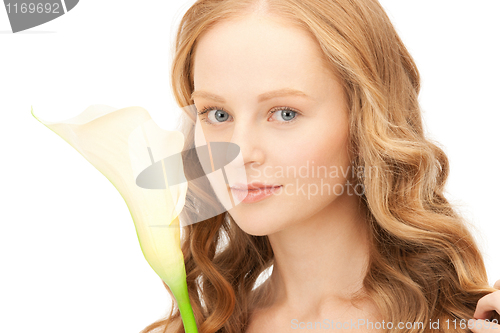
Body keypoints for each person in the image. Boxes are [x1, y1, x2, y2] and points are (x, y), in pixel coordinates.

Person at [142, 1, 500, 332]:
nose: (238, 153)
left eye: (284, 113)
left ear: (365, 120)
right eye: (217, 114)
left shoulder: (467, 322)